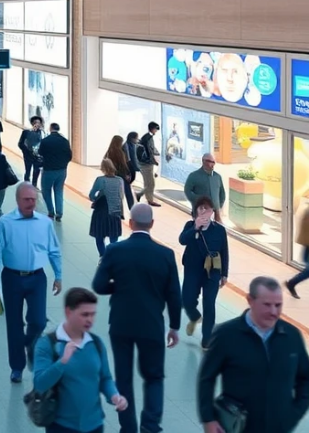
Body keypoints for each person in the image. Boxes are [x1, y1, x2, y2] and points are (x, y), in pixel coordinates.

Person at [91, 203, 182, 433]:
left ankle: (128, 427)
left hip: (121, 324)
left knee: (123, 377)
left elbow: (99, 285)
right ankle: (150, 426)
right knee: (154, 376)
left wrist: (120, 287)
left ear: (130, 223)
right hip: (151, 325)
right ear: (151, 224)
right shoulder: (165, 255)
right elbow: (174, 295)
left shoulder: (114, 251)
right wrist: (174, 326)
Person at [198, 276, 309, 433]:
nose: (273, 312)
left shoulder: (291, 336)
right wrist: (208, 418)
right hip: (239, 427)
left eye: (278, 305)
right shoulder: (226, 335)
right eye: (267, 305)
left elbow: (305, 377)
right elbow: (206, 378)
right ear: (250, 300)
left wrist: (294, 413)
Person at [0, 182, 63, 383]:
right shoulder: (5, 223)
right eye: (27, 200)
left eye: (33, 199)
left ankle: (31, 345)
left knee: (38, 320)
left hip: (37, 278)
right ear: (18, 200)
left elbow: (54, 250)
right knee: (13, 324)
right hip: (11, 278)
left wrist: (58, 275)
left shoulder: (45, 223)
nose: (31, 203)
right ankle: (17, 367)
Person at [32, 287, 128, 433]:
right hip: (61, 427)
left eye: (93, 314)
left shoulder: (96, 343)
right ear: (68, 312)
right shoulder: (47, 344)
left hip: (94, 425)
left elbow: (105, 379)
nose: (90, 320)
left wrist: (114, 396)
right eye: (84, 314)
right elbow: (40, 383)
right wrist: (62, 361)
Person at [178, 196, 228, 350]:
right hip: (193, 270)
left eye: (207, 208)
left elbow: (224, 251)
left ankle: (207, 338)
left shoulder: (219, 230)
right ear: (196, 211)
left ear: (212, 211)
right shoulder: (190, 225)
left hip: (212, 272)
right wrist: (195, 228)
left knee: (209, 304)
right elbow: (182, 240)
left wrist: (224, 273)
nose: (204, 211)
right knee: (186, 300)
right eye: (201, 208)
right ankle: (194, 317)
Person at [88, 159, 126, 257]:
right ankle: (112, 255)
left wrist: (96, 198)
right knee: (114, 236)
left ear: (103, 168)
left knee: (99, 236)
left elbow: (91, 195)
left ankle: (103, 256)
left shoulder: (100, 180)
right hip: (115, 211)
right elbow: (121, 196)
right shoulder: (120, 180)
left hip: (101, 211)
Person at [38, 123, 72, 221]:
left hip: (48, 170)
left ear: (50, 128)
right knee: (59, 191)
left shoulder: (45, 141)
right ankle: (59, 213)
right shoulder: (65, 141)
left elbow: (40, 153)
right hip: (62, 170)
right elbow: (69, 156)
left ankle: (50, 211)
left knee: (46, 190)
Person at [184, 154, 226, 222]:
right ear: (203, 161)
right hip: (201, 211)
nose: (212, 164)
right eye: (209, 161)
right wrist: (198, 200)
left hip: (216, 213)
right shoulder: (194, 176)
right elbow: (187, 191)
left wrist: (219, 206)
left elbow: (222, 193)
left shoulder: (217, 177)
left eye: (213, 162)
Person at [137, 121, 161, 206]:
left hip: (143, 163)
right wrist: (154, 161)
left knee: (148, 182)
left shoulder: (145, 137)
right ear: (153, 129)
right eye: (156, 129)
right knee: (150, 183)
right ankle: (149, 199)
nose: (156, 131)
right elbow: (149, 151)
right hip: (146, 164)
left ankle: (141, 195)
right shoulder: (148, 138)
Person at [17, 116, 45, 189]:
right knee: (28, 171)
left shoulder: (42, 133)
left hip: (38, 157)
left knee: (36, 171)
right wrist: (25, 151)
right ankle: (27, 185)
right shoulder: (26, 132)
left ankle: (34, 185)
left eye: (39, 123)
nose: (37, 124)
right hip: (28, 156)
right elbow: (20, 143)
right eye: (36, 122)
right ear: (32, 123)